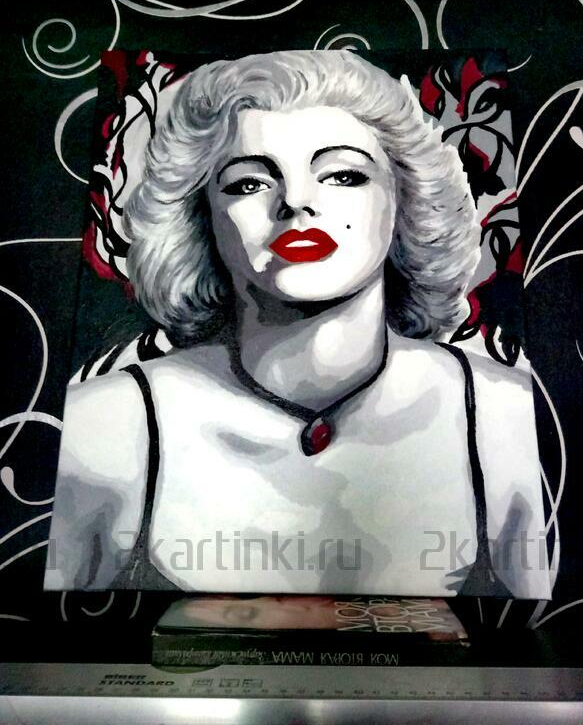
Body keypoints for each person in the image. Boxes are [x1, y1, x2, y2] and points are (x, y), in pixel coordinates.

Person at [44, 50, 549, 599]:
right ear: (199, 217)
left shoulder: (500, 411)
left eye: (343, 175)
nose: (297, 202)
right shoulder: (108, 422)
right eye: (248, 183)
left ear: (406, 202)